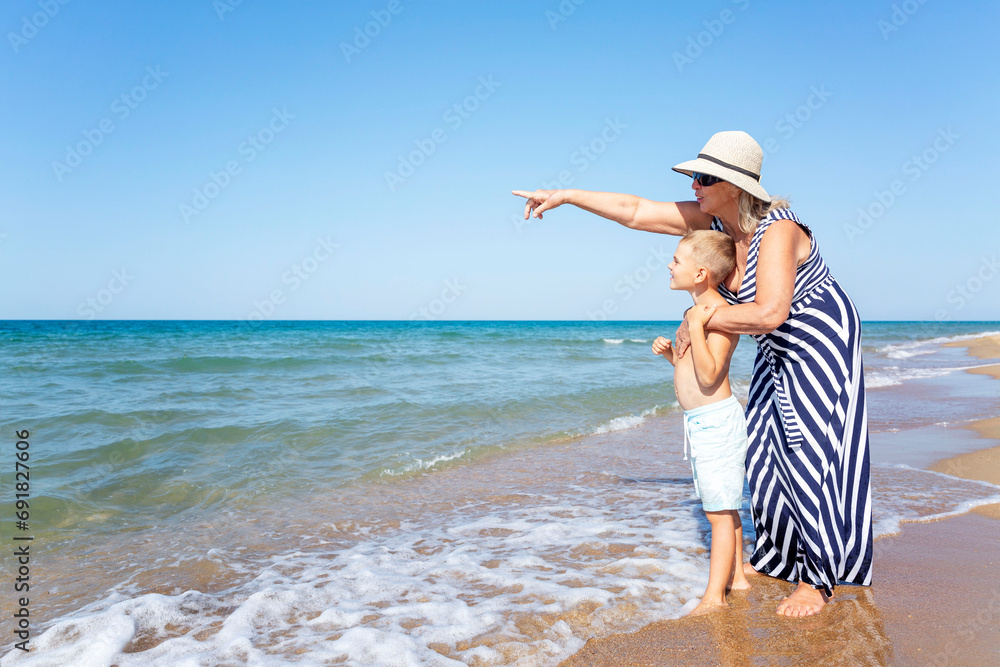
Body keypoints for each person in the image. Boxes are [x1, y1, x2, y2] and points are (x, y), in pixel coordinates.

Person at [513, 130, 872, 617]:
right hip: (774, 342)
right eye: (693, 177)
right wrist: (567, 196)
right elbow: (637, 211)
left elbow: (770, 313)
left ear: (736, 185)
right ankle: (785, 557)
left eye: (704, 178)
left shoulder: (779, 229)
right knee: (765, 448)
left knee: (811, 445)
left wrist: (698, 317)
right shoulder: (718, 225)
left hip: (817, 337)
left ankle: (819, 579)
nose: (695, 186)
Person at [652, 229, 751, 616]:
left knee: (718, 511)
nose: (669, 265)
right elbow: (691, 370)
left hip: (717, 423)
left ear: (700, 274)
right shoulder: (694, 314)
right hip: (700, 422)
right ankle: (738, 578)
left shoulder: (719, 318)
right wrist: (669, 356)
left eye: (677, 260)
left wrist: (696, 327)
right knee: (725, 504)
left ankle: (715, 598)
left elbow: (711, 377)